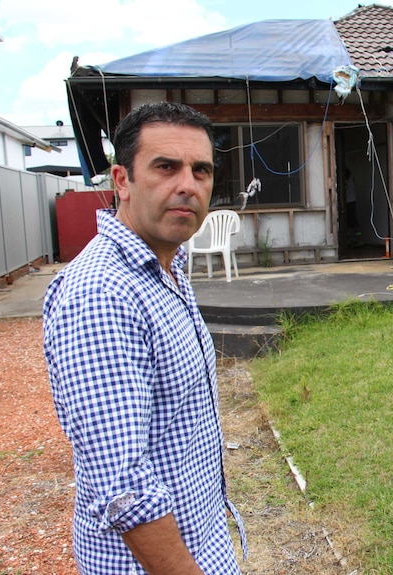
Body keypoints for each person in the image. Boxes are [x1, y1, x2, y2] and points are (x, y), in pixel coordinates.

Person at [43, 102, 247, 575]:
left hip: (200, 539)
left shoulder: (162, 267)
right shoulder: (102, 293)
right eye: (166, 167)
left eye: (201, 170)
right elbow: (122, 485)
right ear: (121, 180)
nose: (188, 186)